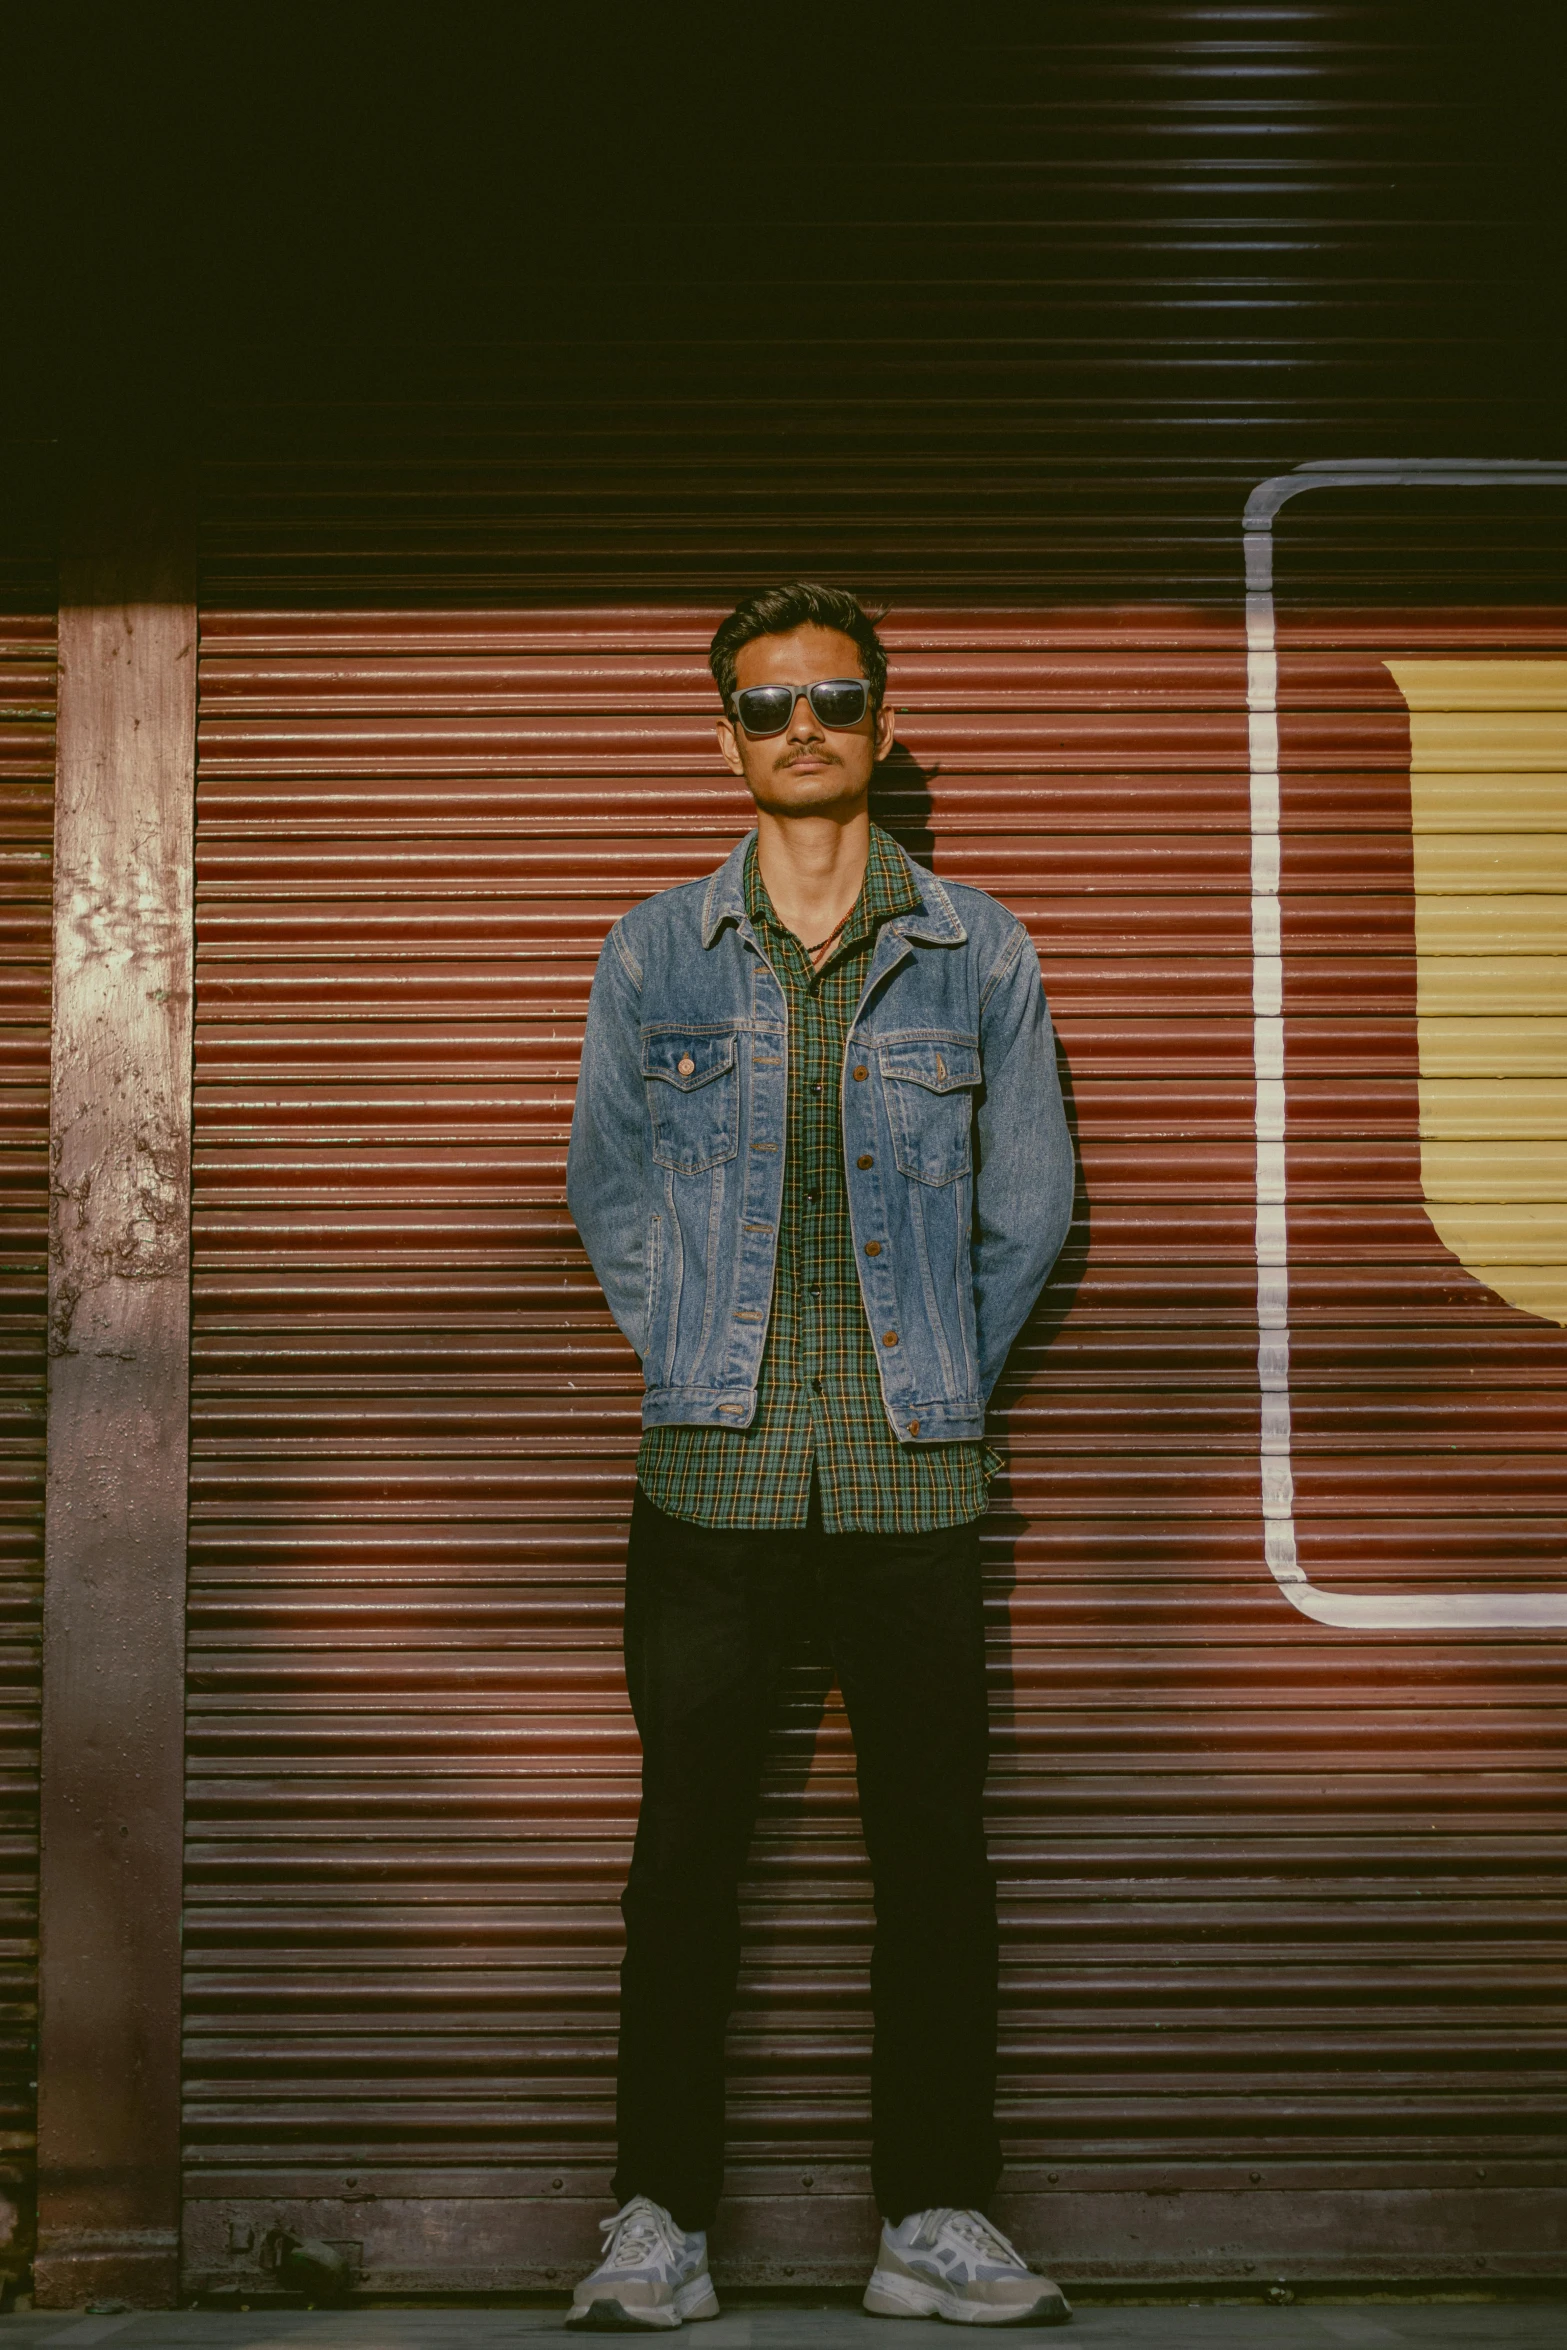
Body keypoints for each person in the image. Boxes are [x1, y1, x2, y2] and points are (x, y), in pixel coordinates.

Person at [564, 582, 1075, 2330]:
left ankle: (931, 2218)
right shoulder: (652, 950)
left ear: (877, 723)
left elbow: (1030, 1211)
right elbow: (613, 1191)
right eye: (770, 705)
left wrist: (934, 1365)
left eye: (835, 700)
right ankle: (658, 2222)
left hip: (913, 1478)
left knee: (932, 1856)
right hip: (705, 1478)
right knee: (682, 1852)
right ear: (725, 734)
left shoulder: (977, 947)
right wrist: (701, 1348)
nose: (804, 728)